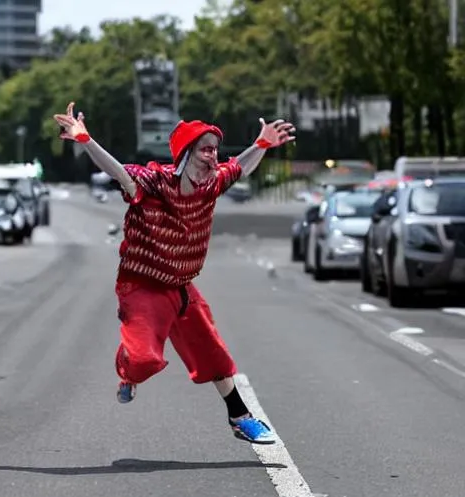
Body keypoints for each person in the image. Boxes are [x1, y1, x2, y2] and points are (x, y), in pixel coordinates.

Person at [54, 103, 295, 445]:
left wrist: (261, 145)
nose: (213, 158)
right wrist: (85, 139)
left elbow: (239, 168)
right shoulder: (153, 184)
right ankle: (128, 371)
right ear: (186, 155)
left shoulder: (211, 186)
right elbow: (119, 172)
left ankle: (241, 417)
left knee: (213, 353)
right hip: (142, 285)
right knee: (144, 362)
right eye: (206, 150)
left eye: (215, 150)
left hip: (181, 285)